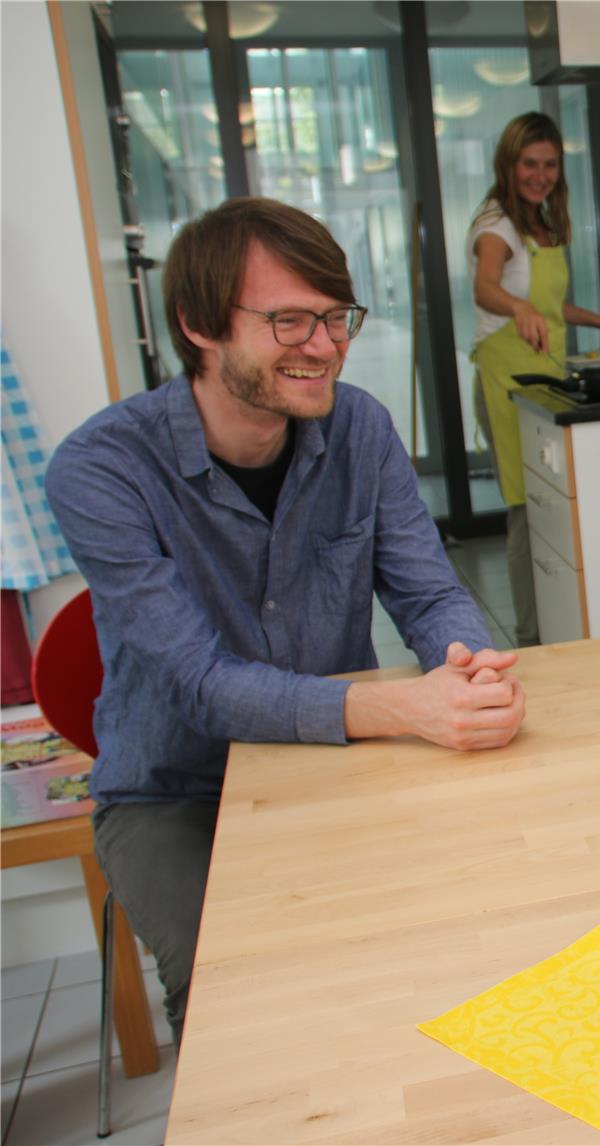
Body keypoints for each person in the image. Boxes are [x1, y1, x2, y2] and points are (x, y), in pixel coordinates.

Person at [44, 198, 528, 1044]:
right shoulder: (103, 468)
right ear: (200, 325)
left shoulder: (361, 428)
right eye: (289, 320)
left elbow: (426, 591)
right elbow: (197, 684)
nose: (326, 346)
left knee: (456, 942)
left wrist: (472, 666)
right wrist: (401, 709)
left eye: (336, 317)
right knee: (235, 1009)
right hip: (176, 791)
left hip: (335, 767)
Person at [469, 111, 600, 646]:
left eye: (549, 165)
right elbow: (485, 287)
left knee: (549, 506)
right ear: (509, 162)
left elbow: (549, 306)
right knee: (528, 509)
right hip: (506, 380)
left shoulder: (541, 223)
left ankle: (560, 621)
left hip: (542, 373)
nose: (539, 175)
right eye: (529, 163)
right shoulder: (496, 224)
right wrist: (518, 307)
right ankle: (531, 636)